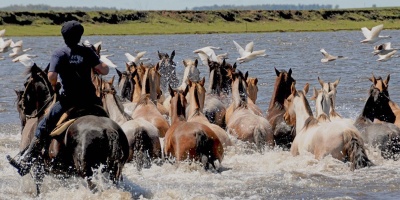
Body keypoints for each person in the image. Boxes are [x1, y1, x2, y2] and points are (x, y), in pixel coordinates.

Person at [7, 20, 109, 176]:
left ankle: (26, 160)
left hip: (69, 101)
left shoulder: (59, 53)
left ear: (64, 36)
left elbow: (52, 76)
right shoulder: (88, 52)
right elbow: (104, 70)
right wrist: (96, 63)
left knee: (43, 125)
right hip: (91, 100)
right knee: (107, 120)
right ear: (80, 35)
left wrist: (55, 86)